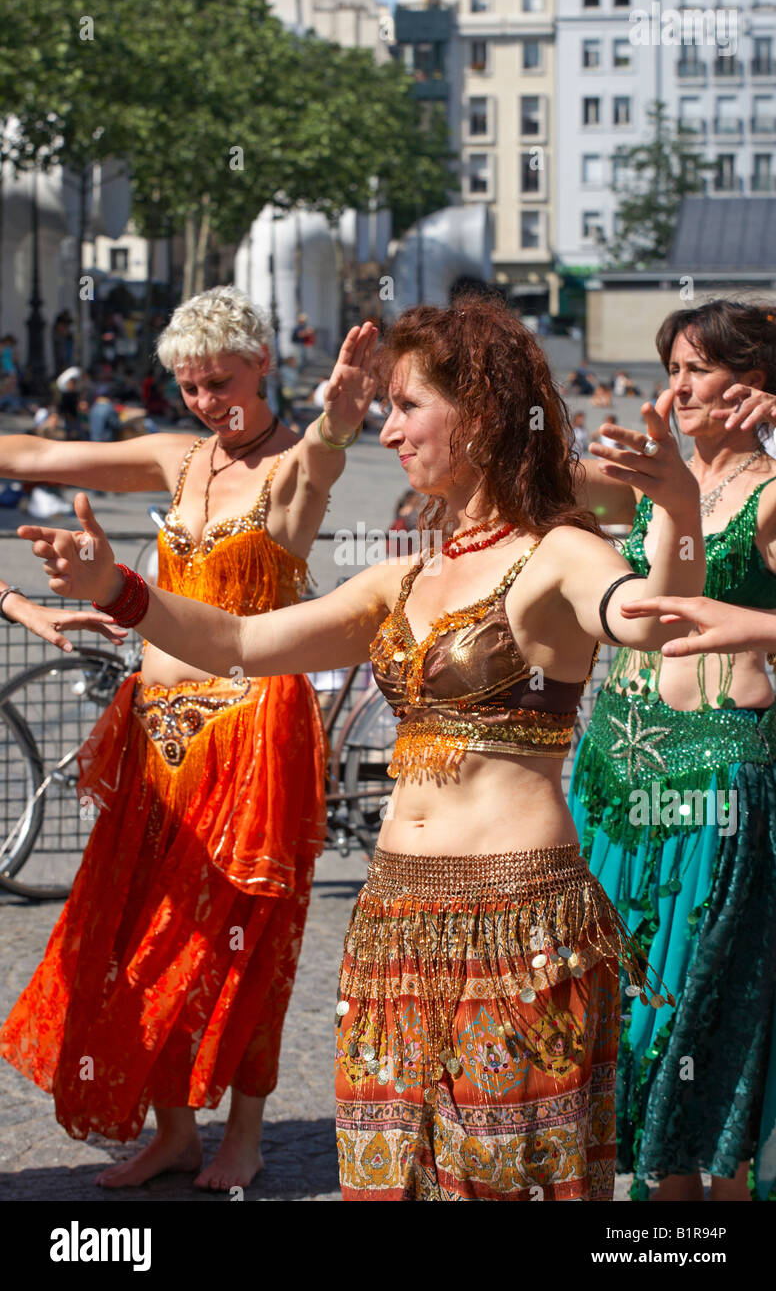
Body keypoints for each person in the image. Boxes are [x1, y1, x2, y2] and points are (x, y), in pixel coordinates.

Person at [17, 297, 707, 1202]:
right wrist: (120, 591)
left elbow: (652, 621)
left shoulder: (559, 553)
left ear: (484, 410)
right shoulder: (403, 577)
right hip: (391, 926)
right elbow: (237, 644)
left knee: (507, 1183)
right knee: (387, 1184)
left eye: (407, 406)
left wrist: (680, 504)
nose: (388, 432)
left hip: (516, 922)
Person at [0, 285, 378, 1192]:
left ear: (263, 367)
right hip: (155, 732)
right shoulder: (181, 457)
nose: (210, 401)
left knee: (244, 941)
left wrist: (332, 426)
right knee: (138, 931)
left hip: (252, 733)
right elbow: (44, 452)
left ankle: (243, 1134)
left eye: (224, 381)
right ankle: (173, 1131)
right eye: (193, 386)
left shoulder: (292, 466)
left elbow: (322, 471)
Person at [569, 299, 776, 1202]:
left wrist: (755, 623)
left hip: (714, 775)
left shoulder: (771, 495)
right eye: (672, 367)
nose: (678, 385)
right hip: (620, 773)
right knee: (630, 1021)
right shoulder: (659, 481)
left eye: (698, 367)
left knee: (698, 1017)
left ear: (755, 384)